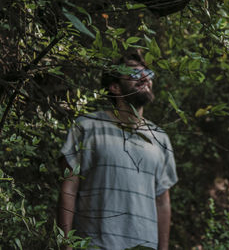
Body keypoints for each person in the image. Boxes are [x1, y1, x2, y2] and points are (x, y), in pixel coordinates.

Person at [58, 55, 178, 250]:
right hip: (94, 245)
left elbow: (162, 203)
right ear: (115, 87)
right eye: (134, 73)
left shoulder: (160, 138)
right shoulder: (86, 127)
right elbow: (69, 188)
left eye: (147, 73)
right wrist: (65, 245)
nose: (144, 77)